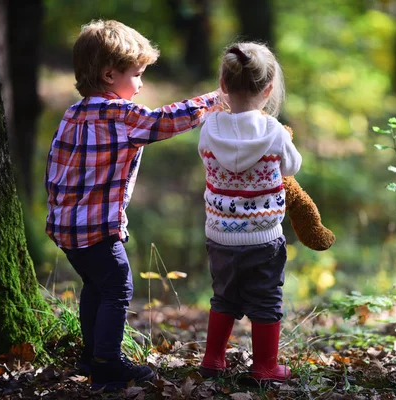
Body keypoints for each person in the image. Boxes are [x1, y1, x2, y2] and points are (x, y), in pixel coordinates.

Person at [44, 19, 222, 391]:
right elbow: (165, 121)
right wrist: (216, 99)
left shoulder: (73, 113)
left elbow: (54, 167)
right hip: (96, 228)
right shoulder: (119, 115)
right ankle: (108, 363)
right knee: (117, 287)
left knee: (96, 286)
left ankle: (92, 354)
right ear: (110, 75)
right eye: (137, 74)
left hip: (67, 227)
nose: (141, 84)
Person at [198, 42, 302, 382]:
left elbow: (206, 158)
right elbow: (293, 166)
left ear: (223, 84)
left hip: (219, 234)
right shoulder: (273, 131)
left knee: (224, 296)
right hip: (263, 237)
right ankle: (265, 367)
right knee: (266, 300)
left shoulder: (210, 128)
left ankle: (213, 359)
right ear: (269, 88)